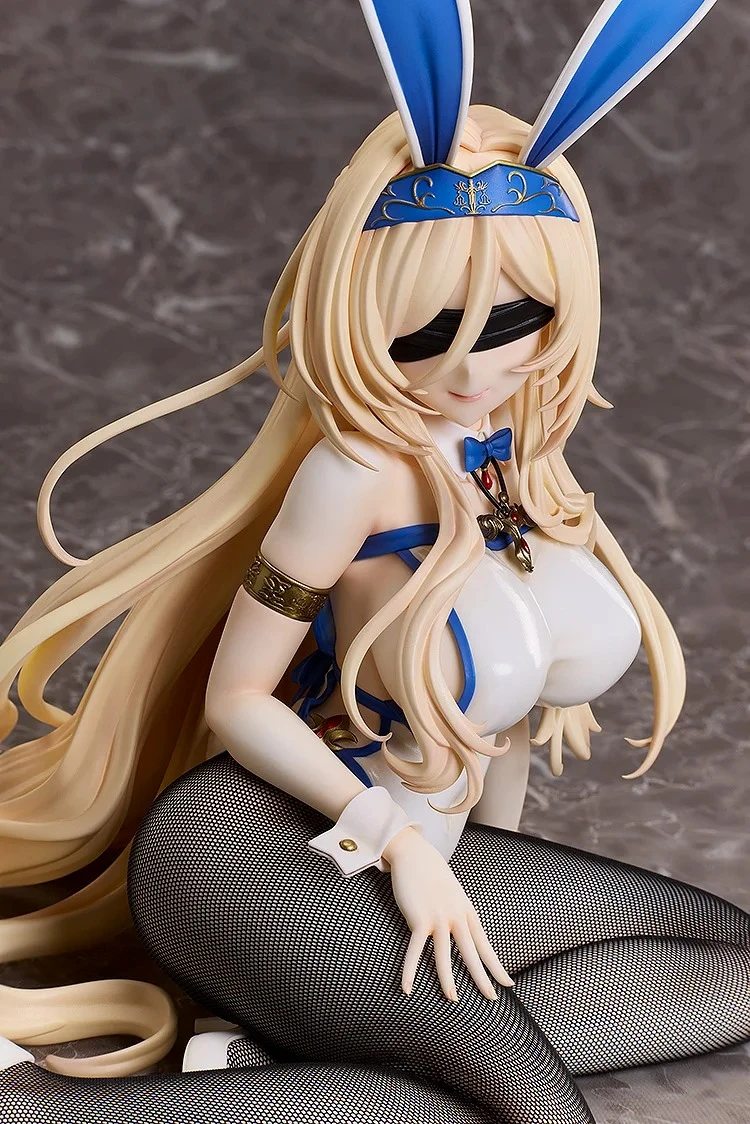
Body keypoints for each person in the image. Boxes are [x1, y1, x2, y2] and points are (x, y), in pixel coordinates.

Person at [0, 2, 747, 1122]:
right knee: (513, 1102)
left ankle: (269, 1066)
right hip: (257, 849)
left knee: (730, 965)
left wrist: (479, 870)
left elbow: (496, 730)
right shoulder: (351, 476)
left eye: (519, 319)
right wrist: (403, 851)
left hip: (424, 846)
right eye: (425, 334)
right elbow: (238, 698)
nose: (474, 367)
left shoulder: (515, 464)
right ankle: (33, 1103)